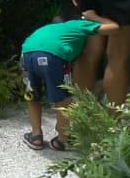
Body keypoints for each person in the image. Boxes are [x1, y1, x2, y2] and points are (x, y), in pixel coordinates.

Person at [21, 10, 119, 150]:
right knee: (63, 98)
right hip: (54, 57)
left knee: (32, 95)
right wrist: (93, 17)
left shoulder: (49, 28)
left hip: (27, 54)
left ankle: (36, 136)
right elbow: (114, 28)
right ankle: (62, 140)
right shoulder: (79, 25)